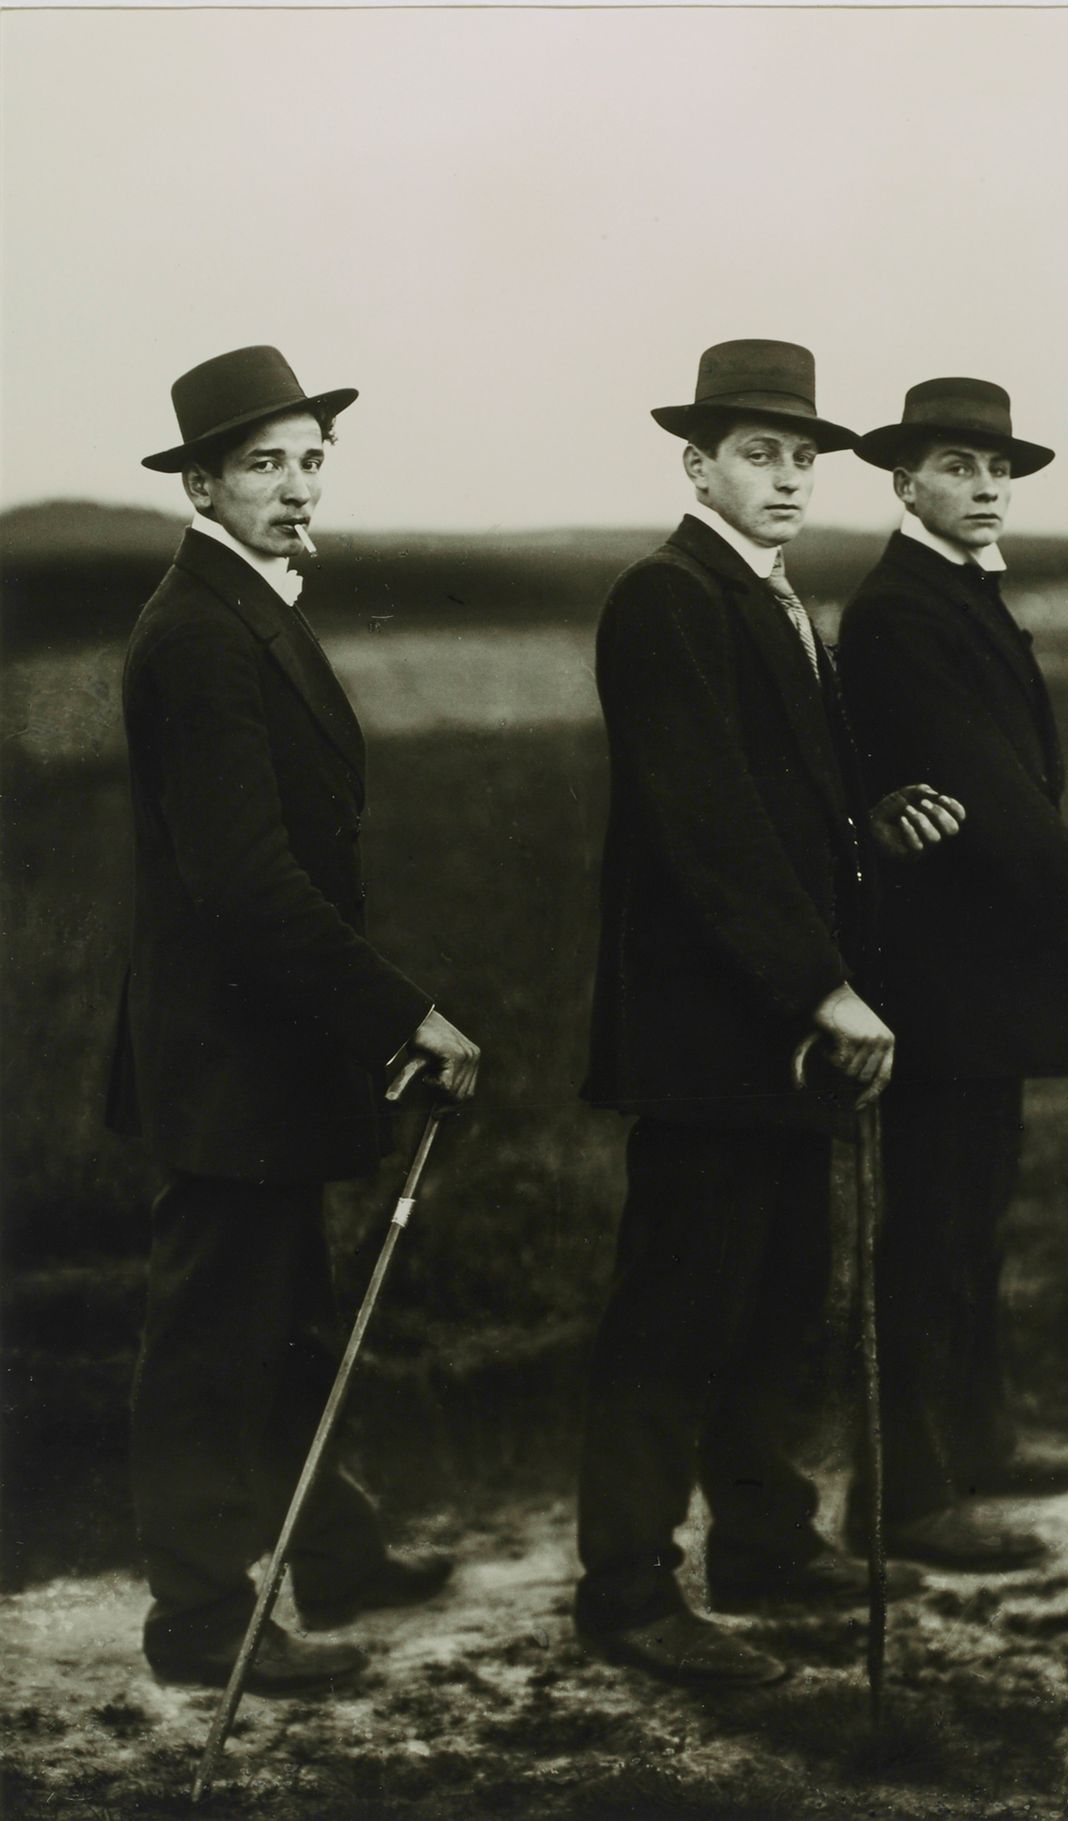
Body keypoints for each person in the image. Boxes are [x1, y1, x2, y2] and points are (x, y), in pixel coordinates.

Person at [575, 340, 962, 1688]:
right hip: (709, 1030)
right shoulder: (666, 597)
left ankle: (764, 1543)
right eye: (759, 454)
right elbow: (709, 825)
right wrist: (822, 985)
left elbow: (786, 804)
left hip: (779, 1028)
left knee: (779, 1296)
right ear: (699, 463)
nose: (789, 477)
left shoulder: (775, 597)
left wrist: (871, 822)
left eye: (802, 457)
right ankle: (626, 1590)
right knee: (674, 1309)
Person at [107, 345, 480, 1693]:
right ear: (202, 482)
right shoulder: (201, 627)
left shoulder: (246, 603)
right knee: (215, 1336)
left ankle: (332, 1547)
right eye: (265, 463)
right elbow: (247, 879)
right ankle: (200, 1624)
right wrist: (403, 1015)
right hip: (227, 1053)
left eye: (311, 459)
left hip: (268, 1045)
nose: (296, 486)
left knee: (291, 1313)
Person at [838, 377, 1068, 1570]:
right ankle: (903, 1493)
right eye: (956, 467)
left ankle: (975, 1439)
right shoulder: (899, 612)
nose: (983, 487)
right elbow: (991, 796)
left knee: (971, 1218)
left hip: (981, 970)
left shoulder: (956, 595)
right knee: (932, 1228)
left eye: (997, 471)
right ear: (903, 483)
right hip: (936, 973)